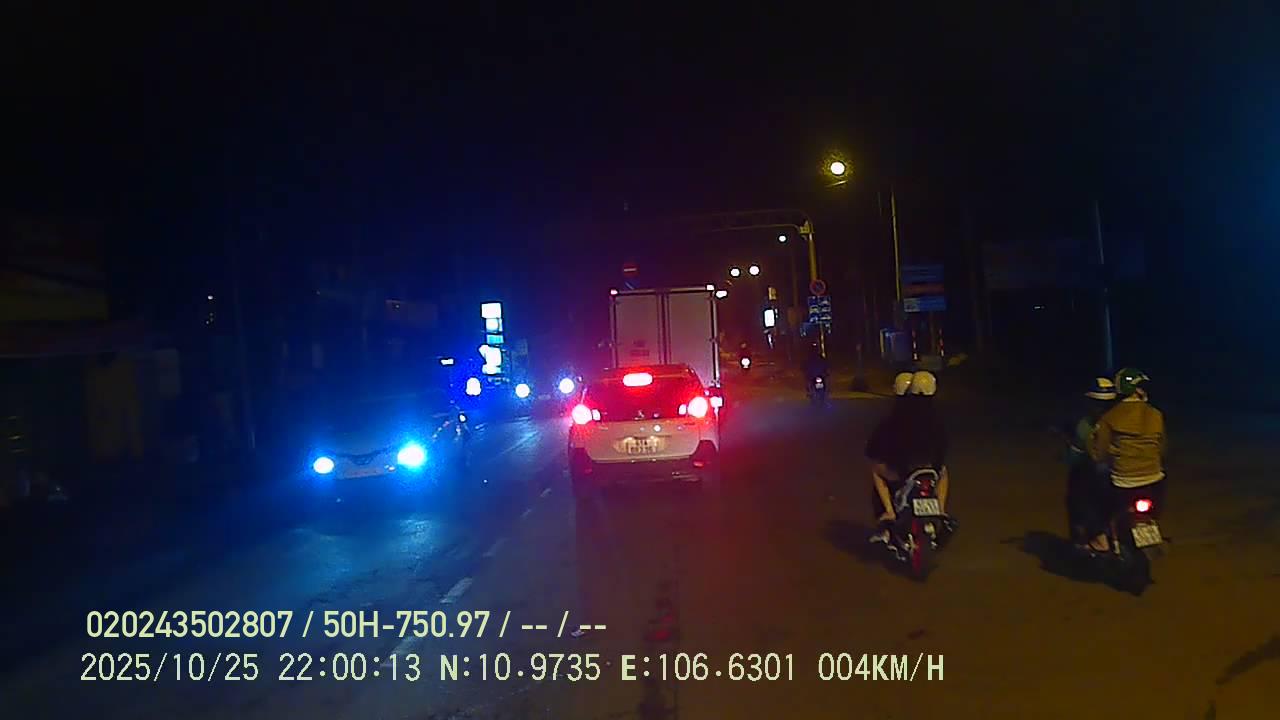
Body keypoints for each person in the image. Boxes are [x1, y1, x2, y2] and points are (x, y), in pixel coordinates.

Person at [865, 370, 950, 543]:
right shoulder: (935, 419)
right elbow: (942, 446)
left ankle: (889, 511)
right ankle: (940, 509)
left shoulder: (894, 419)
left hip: (902, 471)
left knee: (876, 470)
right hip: (930, 469)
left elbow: (874, 449)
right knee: (944, 472)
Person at [1087, 368, 1167, 552]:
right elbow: (1163, 448)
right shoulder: (1156, 414)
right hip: (1154, 479)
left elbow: (1100, 454)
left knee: (1096, 496)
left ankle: (1103, 539)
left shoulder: (1110, 417)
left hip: (1124, 482)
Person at [1064, 377, 1117, 548]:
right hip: (1127, 474)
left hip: (1105, 477)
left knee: (1078, 497)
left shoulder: (1086, 425)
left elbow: (1075, 455)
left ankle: (1094, 537)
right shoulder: (1122, 420)